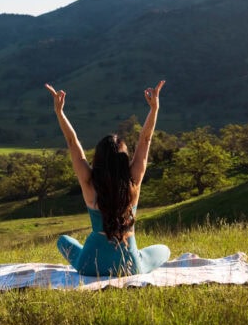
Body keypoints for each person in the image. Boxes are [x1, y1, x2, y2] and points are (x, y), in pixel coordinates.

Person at [45, 80, 171, 277]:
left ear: (98, 158)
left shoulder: (89, 182)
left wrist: (59, 112)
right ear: (124, 160)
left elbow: (72, 142)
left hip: (89, 266)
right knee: (164, 250)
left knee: (63, 241)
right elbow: (145, 140)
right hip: (129, 266)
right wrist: (154, 108)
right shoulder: (133, 181)